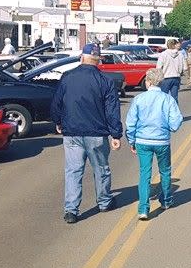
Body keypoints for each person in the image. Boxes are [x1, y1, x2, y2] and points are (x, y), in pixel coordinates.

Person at [51, 43, 123, 224]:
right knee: (101, 169)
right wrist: (116, 134)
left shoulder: (67, 77)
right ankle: (104, 202)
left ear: (81, 57)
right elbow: (112, 110)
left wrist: (58, 121)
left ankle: (71, 210)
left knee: (73, 171)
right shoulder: (105, 81)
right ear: (98, 60)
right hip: (96, 133)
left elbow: (57, 102)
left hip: (72, 132)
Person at [126, 68, 183, 221]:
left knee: (145, 174)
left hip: (143, 141)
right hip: (161, 140)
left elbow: (131, 122)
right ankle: (165, 200)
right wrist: (170, 127)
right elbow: (176, 121)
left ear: (149, 82)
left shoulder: (139, 99)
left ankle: (143, 208)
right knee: (165, 171)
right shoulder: (168, 99)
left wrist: (131, 140)